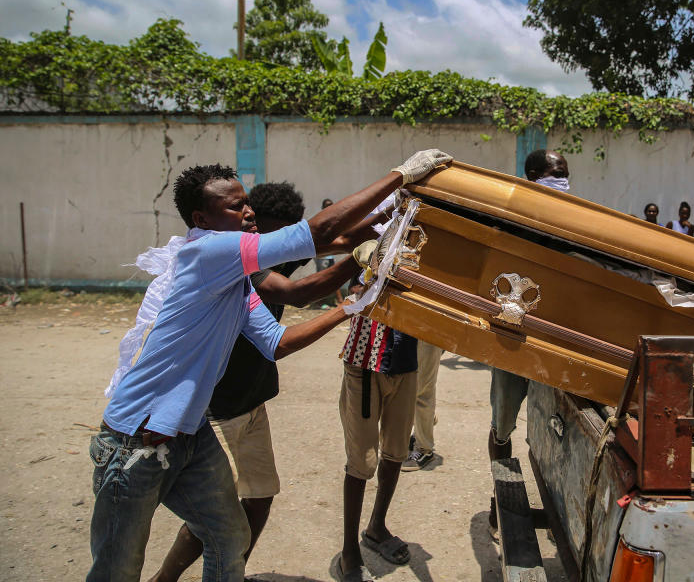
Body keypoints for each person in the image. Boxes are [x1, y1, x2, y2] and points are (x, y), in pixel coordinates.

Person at [87, 149, 451, 582]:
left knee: (229, 539)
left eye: (246, 202)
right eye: (234, 206)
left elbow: (276, 342)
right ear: (201, 220)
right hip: (135, 440)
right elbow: (319, 232)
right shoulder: (208, 253)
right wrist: (399, 176)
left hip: (188, 434)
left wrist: (352, 305)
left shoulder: (234, 282)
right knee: (118, 568)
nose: (248, 211)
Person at [147, 182, 365, 582]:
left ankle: (233, 572)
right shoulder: (239, 261)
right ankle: (166, 578)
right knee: (216, 517)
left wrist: (384, 228)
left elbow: (334, 240)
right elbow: (299, 294)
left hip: (250, 400)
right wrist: (361, 263)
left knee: (259, 497)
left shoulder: (271, 249)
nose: (274, 239)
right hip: (217, 409)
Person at [487, 149, 570, 539]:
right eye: (557, 173)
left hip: (552, 342)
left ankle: (556, 512)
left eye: (566, 174)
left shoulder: (574, 220)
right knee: (502, 426)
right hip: (512, 341)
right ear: (534, 176)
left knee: (558, 430)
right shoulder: (513, 218)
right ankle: (499, 503)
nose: (563, 182)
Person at [336, 302, 422, 581]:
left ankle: (376, 526)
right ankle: (349, 550)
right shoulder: (365, 256)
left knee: (396, 450)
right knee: (361, 460)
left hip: (406, 361)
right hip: (365, 360)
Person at [401, 341, 444, 471]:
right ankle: (425, 422)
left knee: (422, 391)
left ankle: (424, 449)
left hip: (430, 330)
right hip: (403, 328)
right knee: (400, 385)